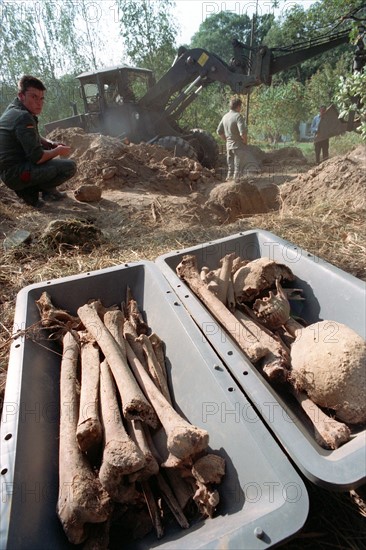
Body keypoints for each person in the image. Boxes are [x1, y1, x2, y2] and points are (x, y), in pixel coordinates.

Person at [0, 75, 77, 207]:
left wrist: (50, 143)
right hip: (16, 174)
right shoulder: (23, 117)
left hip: (10, 171)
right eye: (34, 97)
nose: (39, 103)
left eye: (41, 98)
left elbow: (31, 135)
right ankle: (34, 191)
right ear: (21, 95)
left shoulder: (14, 109)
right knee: (69, 167)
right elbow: (38, 158)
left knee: (46, 148)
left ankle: (36, 193)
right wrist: (58, 150)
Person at [217, 97, 248, 182]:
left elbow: (219, 131)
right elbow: (242, 133)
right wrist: (245, 141)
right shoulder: (238, 116)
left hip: (229, 146)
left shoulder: (225, 117)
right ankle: (235, 183)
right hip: (238, 145)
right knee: (238, 166)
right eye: (240, 106)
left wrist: (226, 140)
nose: (240, 108)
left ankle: (228, 181)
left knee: (230, 166)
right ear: (238, 106)